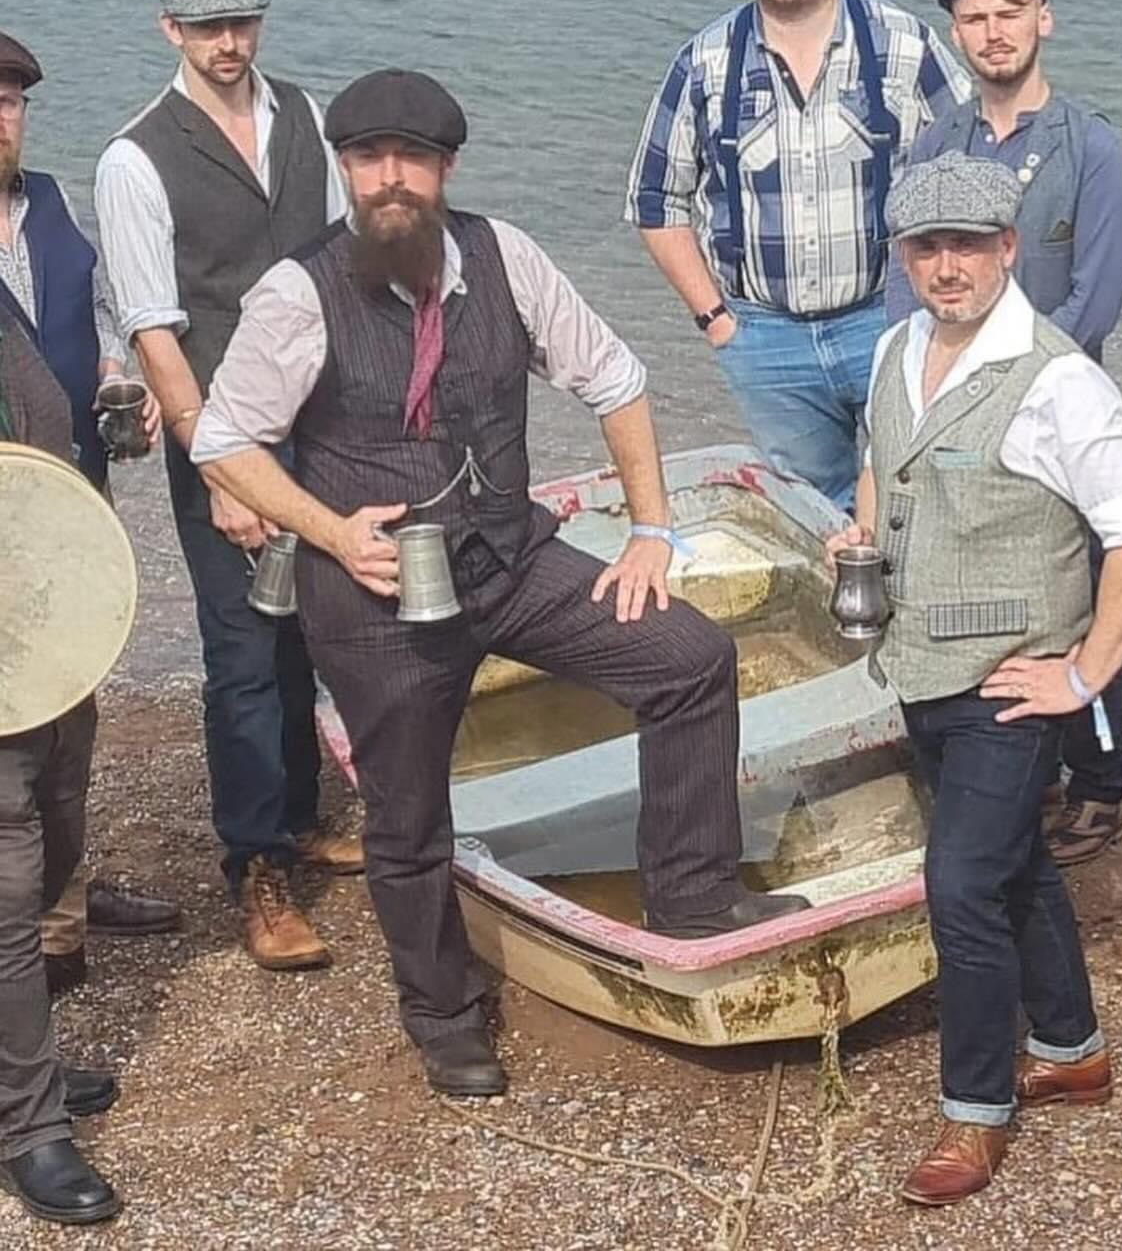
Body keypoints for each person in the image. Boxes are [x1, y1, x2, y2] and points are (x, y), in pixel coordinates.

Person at [188, 68, 809, 1096]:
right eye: (368, 160)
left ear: (446, 168)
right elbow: (225, 442)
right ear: (346, 170)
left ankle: (693, 897)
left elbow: (617, 378)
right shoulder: (299, 291)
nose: (391, 180)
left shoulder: (504, 255)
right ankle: (442, 1012)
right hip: (375, 588)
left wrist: (651, 530)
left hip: (509, 557)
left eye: (412, 160)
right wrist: (332, 531)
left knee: (689, 659)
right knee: (407, 816)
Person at [827, 152, 1122, 1205]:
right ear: (903, 258)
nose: (947, 268)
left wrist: (1084, 672)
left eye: (968, 245)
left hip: (1013, 687)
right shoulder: (895, 350)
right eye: (925, 248)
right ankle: (1073, 1049)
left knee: (962, 884)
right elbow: (885, 459)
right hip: (917, 664)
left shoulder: (1059, 378)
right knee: (1015, 864)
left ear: (1008, 248)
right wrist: (862, 532)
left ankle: (973, 1113)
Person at [95, 0, 357, 973]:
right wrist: (213, 466)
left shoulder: (303, 116)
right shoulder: (135, 158)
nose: (228, 42)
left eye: (242, 22)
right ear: (170, 30)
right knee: (243, 652)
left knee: (314, 632)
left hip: (320, 421)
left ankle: (296, 817)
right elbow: (158, 331)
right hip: (222, 432)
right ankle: (255, 865)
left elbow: (340, 266)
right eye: (208, 27)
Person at [885, 0, 1122, 867]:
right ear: (956, 35)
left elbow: (1096, 301)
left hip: (1053, 413)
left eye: (1009, 14)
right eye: (974, 20)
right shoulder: (935, 141)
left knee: (1083, 585)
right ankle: (1013, 767)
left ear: (1044, 22)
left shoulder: (1092, 147)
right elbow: (903, 280)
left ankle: (1102, 780)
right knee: (975, 587)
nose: (992, 33)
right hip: (946, 414)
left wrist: (1015, 384)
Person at [624, 0, 970, 510]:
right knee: (815, 513)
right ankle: (846, 613)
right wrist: (717, 321)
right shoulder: (706, 63)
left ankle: (923, 610)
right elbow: (655, 201)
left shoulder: (901, 43)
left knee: (925, 489)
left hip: (888, 318)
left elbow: (971, 171)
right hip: (765, 338)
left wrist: (941, 300)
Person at [0, 30, 181, 997]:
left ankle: (62, 893)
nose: (0, 117)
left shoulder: (58, 209)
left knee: (71, 707)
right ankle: (27, 922)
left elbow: (108, 312)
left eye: (10, 100)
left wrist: (126, 378)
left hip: (73, 511)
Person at [0, 309, 121, 1226]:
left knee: (55, 839)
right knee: (7, 879)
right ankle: (26, 1124)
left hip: (43, 628)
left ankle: (18, 1066)